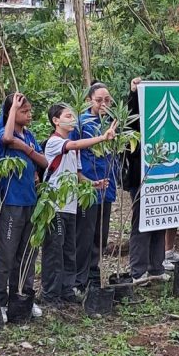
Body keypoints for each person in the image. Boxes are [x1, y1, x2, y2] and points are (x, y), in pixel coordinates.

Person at [41, 103, 115, 306]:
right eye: (67, 116)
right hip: (54, 206)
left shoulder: (74, 148)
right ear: (56, 121)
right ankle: (50, 294)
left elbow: (77, 174)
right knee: (54, 251)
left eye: (73, 116)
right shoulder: (55, 142)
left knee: (68, 250)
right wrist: (102, 137)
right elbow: (73, 146)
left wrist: (93, 184)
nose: (72, 120)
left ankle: (66, 290)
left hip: (71, 205)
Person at [0, 93, 48, 318]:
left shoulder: (29, 136)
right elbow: (7, 138)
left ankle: (22, 295)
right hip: (12, 202)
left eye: (28, 110)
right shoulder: (5, 135)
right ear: (11, 114)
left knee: (27, 252)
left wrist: (25, 148)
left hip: (30, 201)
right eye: (24, 111)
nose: (29, 115)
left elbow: (44, 162)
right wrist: (13, 108)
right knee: (7, 253)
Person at [122, 77, 169, 285]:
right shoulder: (136, 125)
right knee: (142, 222)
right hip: (140, 178)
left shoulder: (162, 123)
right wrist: (133, 93)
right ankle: (138, 270)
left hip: (162, 176)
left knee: (160, 220)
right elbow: (130, 118)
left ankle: (156, 266)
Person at [74, 82, 117, 292]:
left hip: (107, 184)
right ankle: (79, 279)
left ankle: (93, 274)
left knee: (101, 233)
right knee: (85, 234)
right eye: (99, 100)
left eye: (107, 100)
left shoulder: (114, 122)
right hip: (88, 186)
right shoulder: (80, 124)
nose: (103, 104)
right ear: (89, 100)